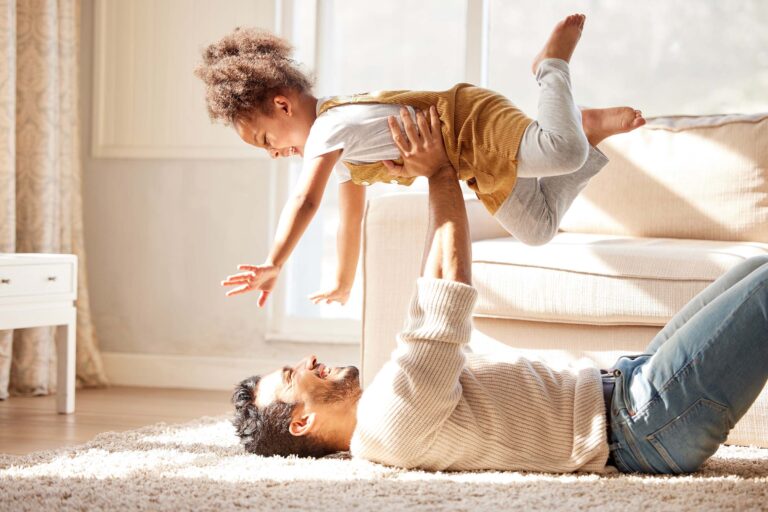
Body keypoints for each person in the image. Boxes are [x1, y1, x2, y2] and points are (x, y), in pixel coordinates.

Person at [230, 106, 768, 475]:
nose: (306, 360)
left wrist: (435, 177)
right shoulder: (389, 423)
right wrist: (439, 172)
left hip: (634, 385)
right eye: (289, 377)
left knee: (757, 267)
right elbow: (451, 294)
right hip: (648, 421)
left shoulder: (384, 410)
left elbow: (430, 291)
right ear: (301, 421)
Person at [195, 14, 646, 307]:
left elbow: (305, 202)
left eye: (265, 140)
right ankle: (583, 128)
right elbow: (350, 220)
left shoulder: (330, 128)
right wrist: (344, 281)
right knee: (538, 228)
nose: (275, 153)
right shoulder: (344, 155)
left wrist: (275, 260)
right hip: (470, 165)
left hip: (471, 122)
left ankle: (551, 66)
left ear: (283, 105)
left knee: (560, 151)